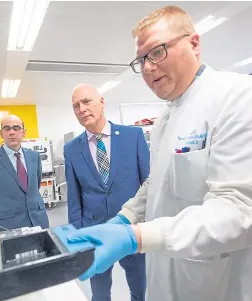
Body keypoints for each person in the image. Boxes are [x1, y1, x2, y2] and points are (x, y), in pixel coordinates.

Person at [67, 5, 252, 301]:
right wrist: (125, 218)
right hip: (164, 279)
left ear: (194, 44)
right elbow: (158, 182)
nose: (149, 67)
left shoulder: (237, 97)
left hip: (211, 284)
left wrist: (136, 237)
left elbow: (239, 212)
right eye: (141, 60)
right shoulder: (167, 117)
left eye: (157, 51)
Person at [64, 83, 150, 301]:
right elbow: (74, 198)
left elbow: (149, 184)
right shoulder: (72, 149)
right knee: (100, 294)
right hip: (95, 232)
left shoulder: (134, 136)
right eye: (76, 106)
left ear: (101, 102)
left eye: (86, 102)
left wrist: (147, 226)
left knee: (140, 291)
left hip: (132, 229)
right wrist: (78, 238)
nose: (81, 109)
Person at [0, 114, 49, 230]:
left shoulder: (34, 156)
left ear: (24, 132)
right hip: (9, 225)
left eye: (16, 128)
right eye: (7, 128)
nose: (12, 132)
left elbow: (35, 186)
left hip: (38, 219)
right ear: (1, 133)